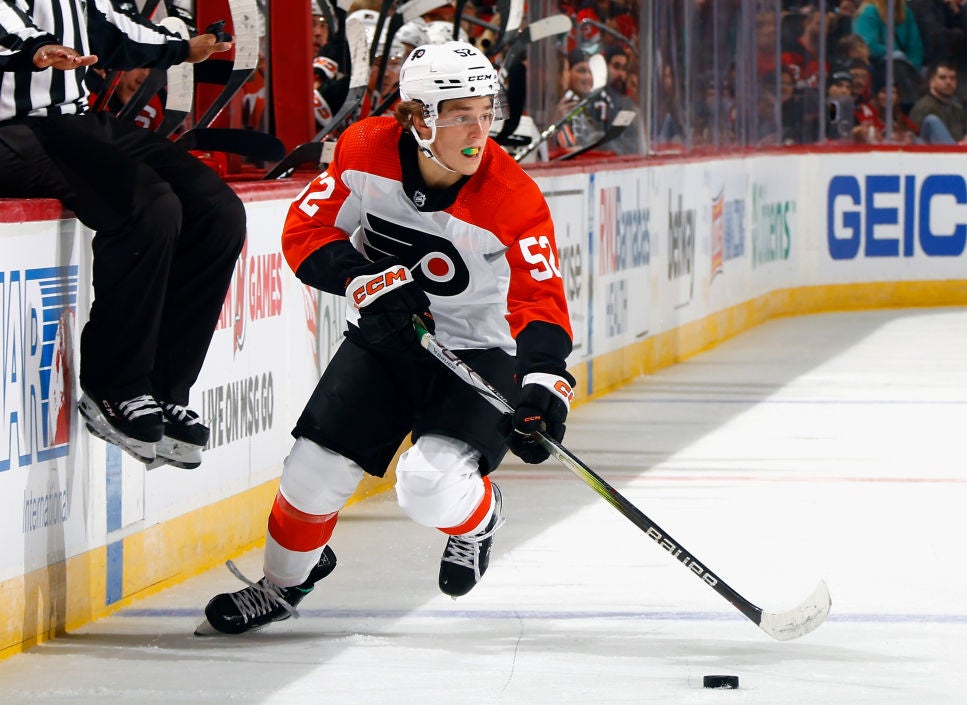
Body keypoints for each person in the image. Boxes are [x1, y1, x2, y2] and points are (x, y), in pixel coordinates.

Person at [196, 41, 575, 636]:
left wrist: (545, 383)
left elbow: (539, 298)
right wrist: (363, 281)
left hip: (478, 351)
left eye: (486, 112)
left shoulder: (512, 198)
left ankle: (477, 518)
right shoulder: (365, 148)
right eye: (459, 115)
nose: (479, 131)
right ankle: (284, 583)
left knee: (427, 487)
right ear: (418, 117)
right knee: (310, 473)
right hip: (387, 341)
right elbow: (306, 231)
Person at [0, 0, 246, 469]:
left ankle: (164, 387)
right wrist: (34, 46)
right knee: (148, 205)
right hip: (12, 131)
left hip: (72, 121)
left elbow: (110, 24)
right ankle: (115, 385)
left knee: (218, 211)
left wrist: (179, 47)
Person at [908, 59, 967, 144]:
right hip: (933, 155)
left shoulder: (957, 108)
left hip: (961, 153)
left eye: (952, 78)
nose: (948, 82)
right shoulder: (922, 108)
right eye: (942, 78)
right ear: (931, 82)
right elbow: (913, 141)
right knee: (932, 121)